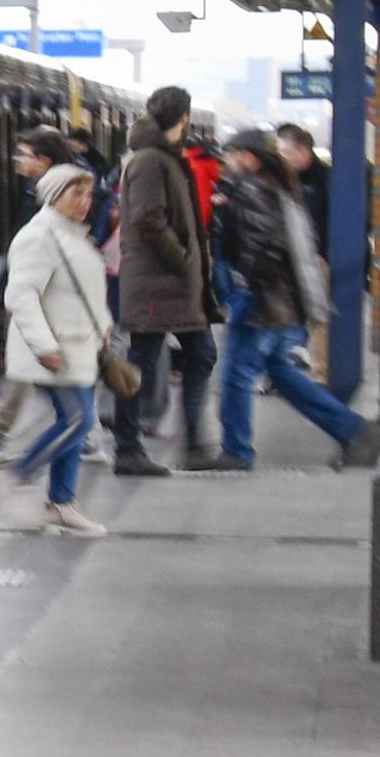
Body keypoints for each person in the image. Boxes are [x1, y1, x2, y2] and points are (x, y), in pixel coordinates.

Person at [209, 119, 380, 471]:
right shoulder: (279, 187)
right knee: (284, 376)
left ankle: (237, 451)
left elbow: (258, 247)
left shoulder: (253, 189)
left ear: (249, 158)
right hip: (279, 301)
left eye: (232, 156)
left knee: (237, 376)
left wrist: (243, 284)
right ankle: (355, 431)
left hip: (258, 299)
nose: (227, 163)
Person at [0, 157, 117, 536]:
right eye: (75, 193)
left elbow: (81, 289)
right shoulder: (39, 237)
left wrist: (104, 325)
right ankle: (17, 475)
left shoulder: (72, 233)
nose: (86, 201)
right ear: (53, 195)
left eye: (87, 193)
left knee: (77, 422)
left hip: (78, 343)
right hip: (55, 347)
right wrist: (43, 344)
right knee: (78, 419)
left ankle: (62, 503)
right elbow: (21, 295)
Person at [109, 86, 213, 474]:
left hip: (169, 284)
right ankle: (128, 448)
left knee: (198, 355)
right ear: (184, 118)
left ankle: (193, 445)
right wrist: (184, 260)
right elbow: (149, 220)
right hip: (158, 282)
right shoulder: (151, 160)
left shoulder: (163, 158)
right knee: (140, 363)